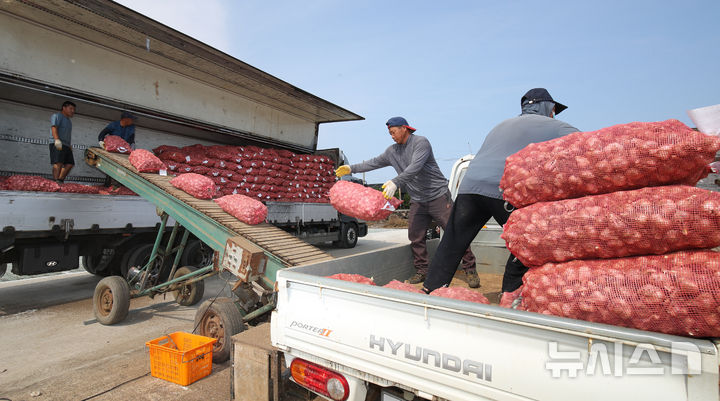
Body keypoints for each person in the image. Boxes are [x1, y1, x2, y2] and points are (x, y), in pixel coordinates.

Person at [423, 88, 580, 295]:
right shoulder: (556, 127)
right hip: (502, 190)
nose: (553, 115)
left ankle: (430, 290)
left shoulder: (501, 125)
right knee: (526, 242)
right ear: (546, 107)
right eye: (553, 110)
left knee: (452, 241)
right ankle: (509, 296)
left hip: (469, 188)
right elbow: (589, 145)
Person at [335, 117, 478, 286]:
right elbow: (374, 163)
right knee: (416, 237)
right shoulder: (392, 151)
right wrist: (351, 168)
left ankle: (470, 269)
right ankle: (422, 271)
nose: (392, 136)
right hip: (418, 200)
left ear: (404, 128)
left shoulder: (421, 143)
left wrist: (396, 182)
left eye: (393, 132)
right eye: (390, 133)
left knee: (454, 232)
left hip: (438, 196)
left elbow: (415, 167)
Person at [49, 100, 76, 183]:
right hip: (57, 142)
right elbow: (54, 128)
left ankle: (60, 180)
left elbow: (67, 134)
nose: (73, 111)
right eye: (71, 108)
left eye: (74, 109)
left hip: (66, 145)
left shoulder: (69, 121)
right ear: (64, 108)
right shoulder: (57, 116)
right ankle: (55, 181)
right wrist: (57, 139)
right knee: (58, 162)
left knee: (70, 163)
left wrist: (69, 145)